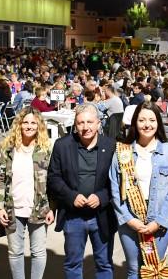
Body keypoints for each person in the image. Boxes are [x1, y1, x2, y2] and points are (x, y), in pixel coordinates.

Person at [109, 101, 168, 278]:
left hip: (159, 220)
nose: (147, 124)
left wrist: (159, 221)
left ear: (158, 123)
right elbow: (114, 189)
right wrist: (128, 219)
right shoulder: (122, 151)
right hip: (130, 220)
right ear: (134, 122)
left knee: (154, 268)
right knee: (134, 269)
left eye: (152, 120)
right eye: (142, 120)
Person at [47, 104, 117, 279]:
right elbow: (54, 177)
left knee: (104, 263)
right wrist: (71, 196)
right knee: (72, 263)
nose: (85, 127)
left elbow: (118, 181)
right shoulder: (62, 145)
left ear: (99, 124)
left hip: (101, 215)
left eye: (90, 122)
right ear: (75, 125)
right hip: (73, 216)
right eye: (80, 123)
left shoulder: (111, 146)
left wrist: (101, 197)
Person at [0, 107, 55, 279]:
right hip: (13, 209)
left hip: (39, 208)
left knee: (38, 251)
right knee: (15, 252)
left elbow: (53, 181)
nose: (29, 126)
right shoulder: (8, 149)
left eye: (33, 123)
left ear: (39, 126)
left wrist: (52, 207)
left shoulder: (46, 150)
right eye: (25, 122)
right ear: (19, 124)